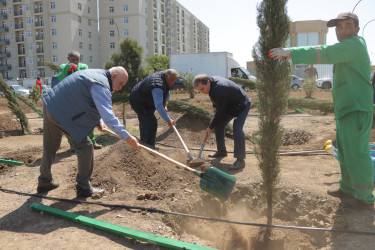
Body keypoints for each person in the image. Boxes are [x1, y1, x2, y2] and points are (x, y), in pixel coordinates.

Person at [269, 12, 374, 208]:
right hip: (346, 109)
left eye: (348, 26)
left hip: (356, 109)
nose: (343, 30)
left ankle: (365, 198)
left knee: (357, 154)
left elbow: (325, 52)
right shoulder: (347, 48)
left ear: (357, 29)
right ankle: (348, 189)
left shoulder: (355, 44)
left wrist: (290, 52)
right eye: (339, 27)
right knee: (344, 152)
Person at [37, 66, 140, 197]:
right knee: (85, 147)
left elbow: (86, 100)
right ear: (113, 76)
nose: (120, 87)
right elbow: (109, 117)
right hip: (62, 113)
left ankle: (44, 182)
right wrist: (127, 137)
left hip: (51, 105)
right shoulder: (101, 84)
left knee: (50, 147)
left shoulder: (94, 74)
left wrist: (99, 122)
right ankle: (83, 187)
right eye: (120, 83)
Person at [193, 74, 251, 170]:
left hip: (242, 104)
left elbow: (220, 112)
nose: (202, 92)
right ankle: (221, 151)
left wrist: (210, 127)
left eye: (202, 89)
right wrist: (215, 106)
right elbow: (214, 97)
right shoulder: (211, 83)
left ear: (207, 82)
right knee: (219, 125)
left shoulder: (220, 88)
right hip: (230, 104)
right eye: (199, 90)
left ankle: (240, 160)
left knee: (237, 127)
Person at [57, 50, 102, 150]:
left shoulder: (83, 66)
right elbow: (61, 79)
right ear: (68, 59)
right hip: (69, 99)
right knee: (71, 122)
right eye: (73, 59)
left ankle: (92, 142)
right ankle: (73, 145)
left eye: (77, 59)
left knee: (88, 120)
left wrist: (76, 70)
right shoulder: (63, 67)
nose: (75, 61)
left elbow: (83, 78)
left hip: (82, 97)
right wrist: (67, 70)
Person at [129, 69, 178, 147]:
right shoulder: (157, 85)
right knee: (151, 123)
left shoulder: (165, 77)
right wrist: (168, 120)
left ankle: (144, 144)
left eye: (174, 81)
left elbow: (167, 90)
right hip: (139, 101)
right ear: (166, 76)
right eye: (171, 80)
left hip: (145, 99)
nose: (172, 83)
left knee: (146, 122)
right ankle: (149, 148)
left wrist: (165, 104)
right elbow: (158, 105)